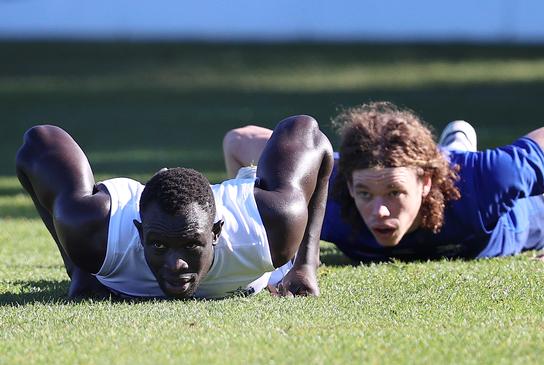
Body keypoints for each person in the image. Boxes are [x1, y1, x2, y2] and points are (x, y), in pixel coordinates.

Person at [223, 101, 544, 263]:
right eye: (365, 193)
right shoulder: (329, 195)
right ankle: (451, 147)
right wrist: (272, 242)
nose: (379, 210)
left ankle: (454, 150)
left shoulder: (489, 180)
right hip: (440, 172)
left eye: (395, 193)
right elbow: (238, 141)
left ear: (426, 183)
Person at [16, 115, 333, 299]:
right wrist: (79, 268)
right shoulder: (92, 233)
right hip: (121, 213)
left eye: (191, 245)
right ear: (139, 234)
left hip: (238, 205)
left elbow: (308, 132)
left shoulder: (269, 230)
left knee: (241, 140)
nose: (177, 263)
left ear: (216, 234)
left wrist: (305, 265)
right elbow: (37, 142)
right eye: (158, 245)